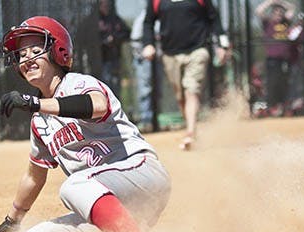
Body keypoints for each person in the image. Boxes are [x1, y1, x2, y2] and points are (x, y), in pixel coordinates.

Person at [0, 16, 171, 232]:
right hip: (109, 204)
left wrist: (35, 103)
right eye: (21, 54)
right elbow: (33, 176)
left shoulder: (78, 83)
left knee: (73, 185)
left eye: (35, 51)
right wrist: (12, 222)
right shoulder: (40, 122)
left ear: (58, 52)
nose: (26, 58)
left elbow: (97, 105)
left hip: (140, 176)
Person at [142, 0, 229, 150]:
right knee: (180, 96)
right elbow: (148, 22)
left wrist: (223, 45)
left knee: (191, 89)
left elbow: (214, 18)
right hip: (170, 54)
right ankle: (191, 127)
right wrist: (148, 44)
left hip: (197, 50)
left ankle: (190, 132)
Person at [255, 0, 295, 117]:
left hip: (285, 60)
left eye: (280, 13)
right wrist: (271, 2)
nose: (278, 15)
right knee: (272, 84)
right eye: (276, 13)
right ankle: (272, 107)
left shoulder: (285, 23)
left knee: (285, 83)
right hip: (272, 60)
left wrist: (281, 2)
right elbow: (258, 11)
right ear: (272, 14)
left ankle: (283, 107)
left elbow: (292, 9)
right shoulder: (268, 23)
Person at [130, 4, 161, 133]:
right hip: (144, 59)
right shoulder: (143, 17)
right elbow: (135, 39)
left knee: (157, 90)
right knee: (145, 90)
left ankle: (154, 118)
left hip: (157, 58)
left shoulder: (160, 16)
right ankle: (146, 120)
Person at [98, 0, 131, 97]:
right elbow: (88, 38)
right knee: (105, 85)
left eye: (107, 3)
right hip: (101, 60)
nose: (105, 5)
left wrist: (114, 38)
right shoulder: (94, 20)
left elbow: (127, 33)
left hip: (115, 58)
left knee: (116, 85)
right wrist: (104, 41)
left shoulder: (115, 19)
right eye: (102, 3)